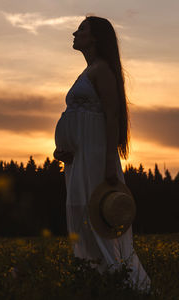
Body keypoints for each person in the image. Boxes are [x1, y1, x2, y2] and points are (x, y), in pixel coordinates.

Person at [53, 15, 151, 293]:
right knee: (80, 216)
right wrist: (63, 149)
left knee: (95, 217)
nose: (75, 33)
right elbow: (78, 117)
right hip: (78, 158)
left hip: (95, 157)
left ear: (95, 37)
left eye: (81, 29)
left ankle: (125, 284)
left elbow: (111, 116)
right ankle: (94, 281)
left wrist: (110, 160)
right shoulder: (88, 71)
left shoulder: (102, 70)